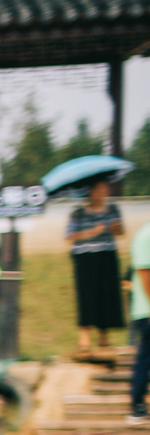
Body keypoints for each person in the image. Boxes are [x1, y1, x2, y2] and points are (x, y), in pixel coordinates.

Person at [67, 176, 128, 357]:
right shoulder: (78, 213)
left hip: (107, 255)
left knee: (106, 294)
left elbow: (121, 232)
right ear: (91, 193)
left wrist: (117, 227)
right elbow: (70, 236)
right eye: (100, 190)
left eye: (106, 190)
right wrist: (93, 232)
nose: (104, 193)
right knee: (87, 295)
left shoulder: (113, 209)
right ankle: (84, 339)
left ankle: (104, 338)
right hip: (85, 257)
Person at [130, 207, 149, 422]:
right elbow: (145, 275)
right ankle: (137, 405)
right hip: (147, 311)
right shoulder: (146, 237)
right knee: (146, 358)